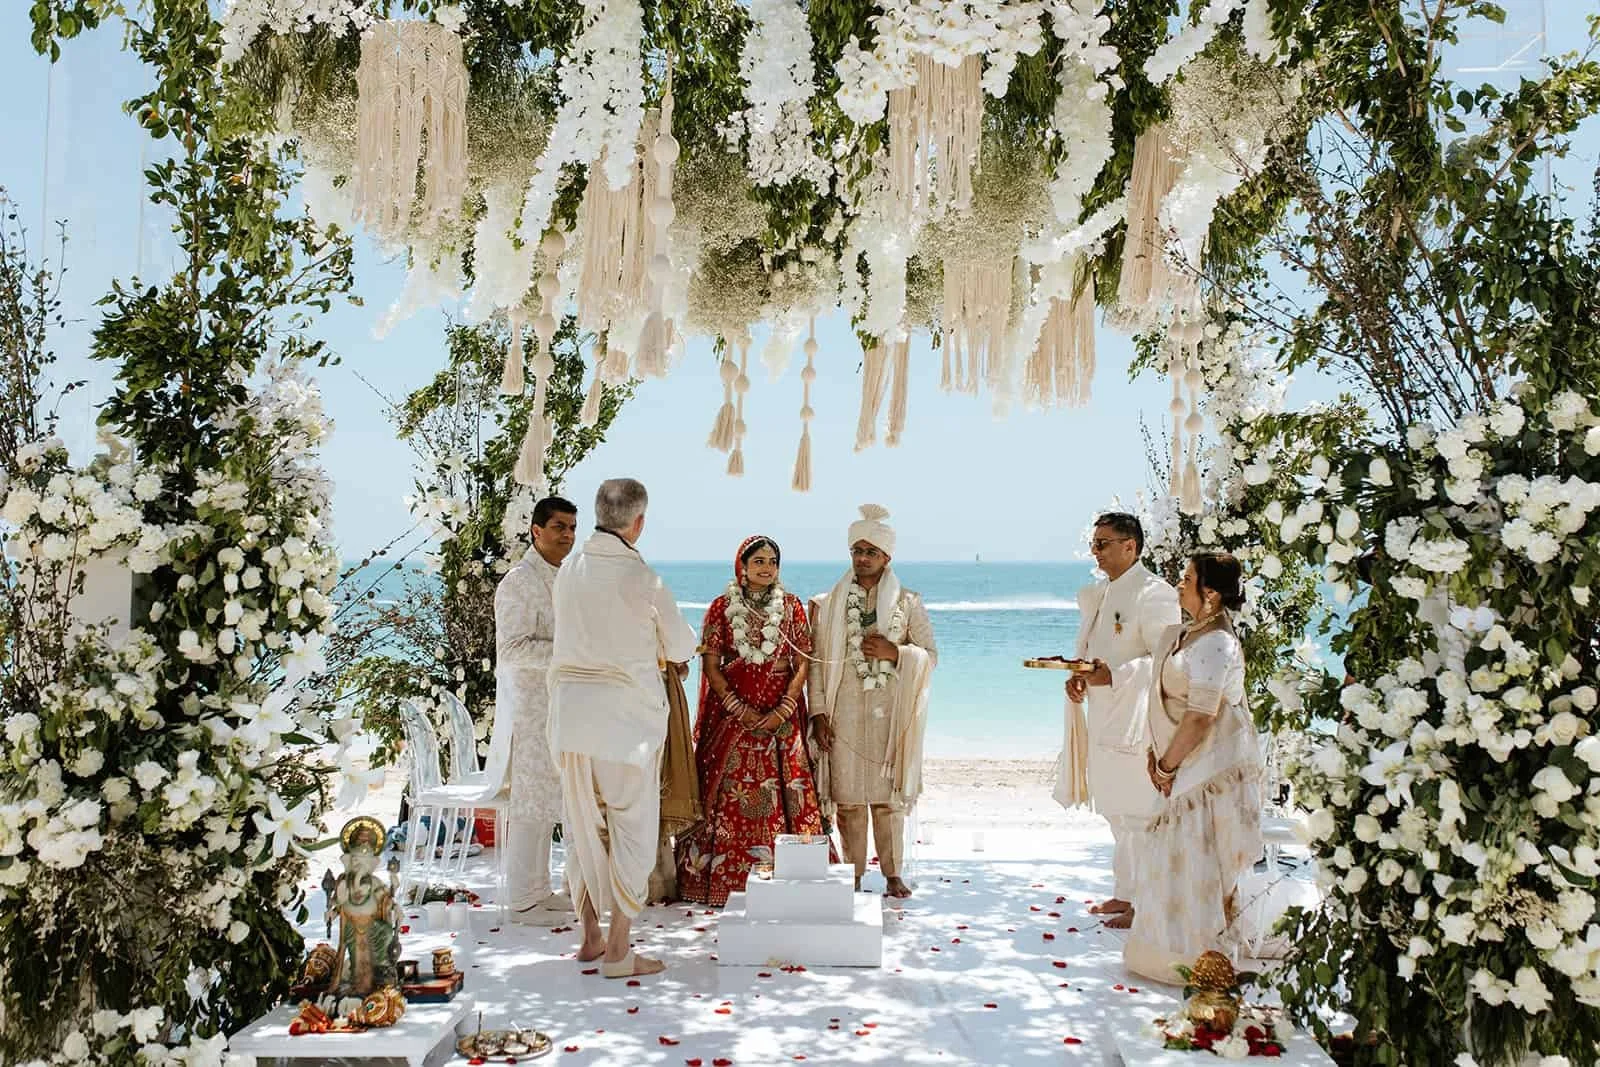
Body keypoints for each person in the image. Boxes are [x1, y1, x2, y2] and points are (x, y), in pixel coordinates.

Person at [1084, 552, 1263, 982]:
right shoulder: (1186, 634)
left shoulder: (1216, 643)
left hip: (1212, 770)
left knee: (1203, 860)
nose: (1179, 585)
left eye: (1187, 580)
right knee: (1178, 857)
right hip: (1184, 760)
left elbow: (1201, 715)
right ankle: (1167, 951)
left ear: (1212, 594)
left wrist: (1166, 764)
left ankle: (1202, 957)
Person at [548, 478, 696, 978]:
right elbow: (679, 646)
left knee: (582, 829)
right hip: (625, 723)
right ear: (639, 523)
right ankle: (618, 950)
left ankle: (588, 935)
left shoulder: (568, 569)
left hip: (570, 718)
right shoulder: (643, 578)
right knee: (631, 828)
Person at [676, 536, 832, 906]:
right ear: (741, 566)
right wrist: (740, 709)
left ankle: (791, 877)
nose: (766, 567)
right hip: (734, 719)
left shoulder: (791, 607)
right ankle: (718, 882)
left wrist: (783, 707)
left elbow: (802, 664)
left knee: (787, 791)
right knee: (729, 793)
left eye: (772, 561)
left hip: (781, 718)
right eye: (758, 560)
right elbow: (711, 667)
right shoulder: (719, 609)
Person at [809, 505, 937, 899]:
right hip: (842, 713)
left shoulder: (909, 604)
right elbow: (816, 664)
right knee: (847, 802)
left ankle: (894, 874)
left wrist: (895, 653)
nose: (861, 559)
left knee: (887, 801)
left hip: (890, 717)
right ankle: (854, 876)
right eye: (856, 551)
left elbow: (930, 655)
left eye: (870, 552)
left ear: (886, 558)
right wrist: (817, 713)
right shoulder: (827, 604)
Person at [1064, 511, 1179, 929]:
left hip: (1138, 716)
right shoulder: (1102, 593)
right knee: (1115, 809)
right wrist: (1079, 680)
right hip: (1104, 713)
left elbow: (1166, 660)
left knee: (1141, 812)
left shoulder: (1155, 593)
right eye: (1094, 543)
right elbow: (1094, 653)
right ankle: (1126, 892)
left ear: (1131, 546)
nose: (1095, 550)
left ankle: (1145, 904)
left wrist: (1115, 676)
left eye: (1103, 543)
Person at [495, 495, 578, 924]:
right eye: (560, 527)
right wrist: (571, 652)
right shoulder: (518, 582)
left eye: (572, 528)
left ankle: (541, 891)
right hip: (531, 708)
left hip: (563, 706)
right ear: (537, 531)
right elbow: (511, 651)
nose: (568, 535)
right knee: (530, 803)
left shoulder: (563, 576)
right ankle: (524, 902)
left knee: (552, 800)